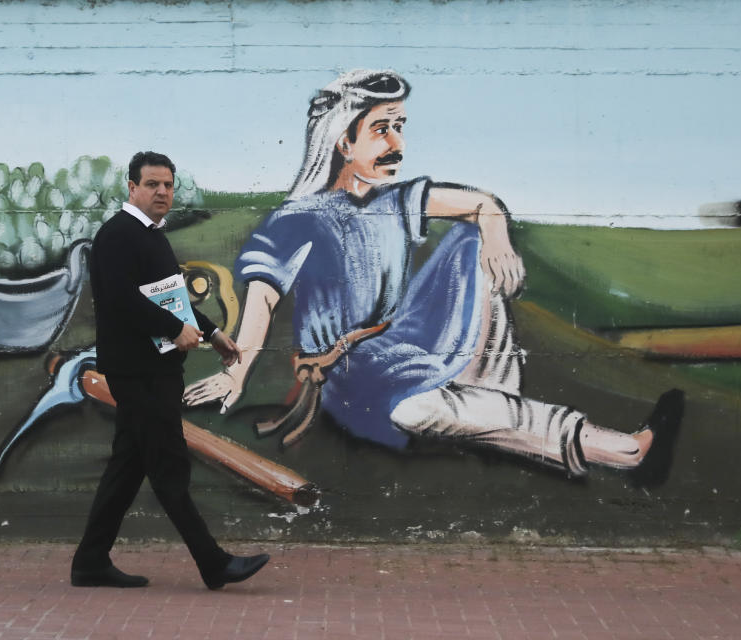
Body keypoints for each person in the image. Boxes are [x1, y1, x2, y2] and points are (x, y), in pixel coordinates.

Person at [184, 70, 683, 486]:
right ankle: (626, 453)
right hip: (355, 377)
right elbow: (263, 300)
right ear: (344, 141)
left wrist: (495, 232)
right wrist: (237, 370)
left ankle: (490, 399)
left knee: (472, 240)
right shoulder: (298, 219)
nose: (397, 142)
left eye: (399, 126)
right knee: (427, 410)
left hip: (407, 344)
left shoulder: (398, 201)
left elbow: (482, 204)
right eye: (382, 129)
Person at [71, 151, 269, 589]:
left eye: (168, 185)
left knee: (128, 466)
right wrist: (172, 328)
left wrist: (211, 331)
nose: (162, 192)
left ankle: (89, 562)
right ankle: (213, 564)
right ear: (132, 187)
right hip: (138, 371)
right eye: (152, 184)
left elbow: (171, 300)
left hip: (155, 369)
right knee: (168, 464)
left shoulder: (152, 236)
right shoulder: (118, 235)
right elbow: (121, 301)